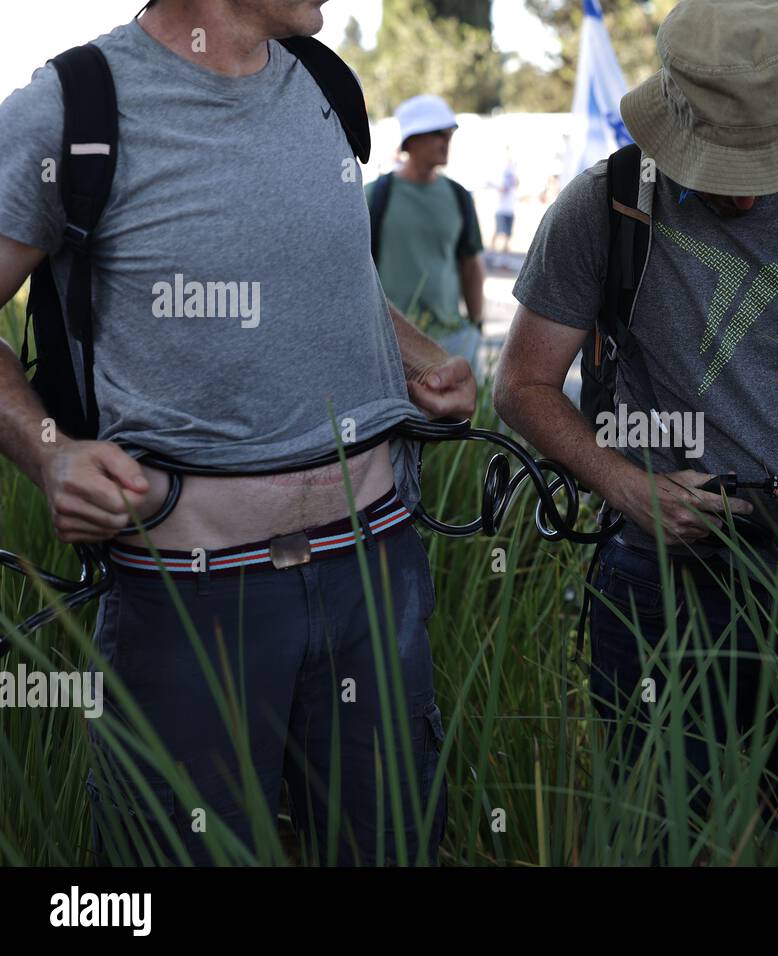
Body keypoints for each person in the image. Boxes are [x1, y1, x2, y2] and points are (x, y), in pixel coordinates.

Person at [0, 0, 475, 864]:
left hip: (376, 572)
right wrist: (47, 450)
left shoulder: (325, 82)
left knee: (393, 846)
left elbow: (329, 272)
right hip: (188, 598)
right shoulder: (69, 110)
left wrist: (415, 356)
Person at [494, 0, 778, 834]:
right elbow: (523, 386)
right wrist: (629, 488)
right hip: (656, 582)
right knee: (660, 829)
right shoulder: (605, 204)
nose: (742, 190)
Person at [368, 94, 486, 378]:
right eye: (437, 134)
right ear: (410, 141)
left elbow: (471, 265)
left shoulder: (458, 197)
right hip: (393, 342)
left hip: (452, 338)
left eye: (450, 134)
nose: (446, 142)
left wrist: (475, 328)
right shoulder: (374, 195)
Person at [489, 150, 519, 265]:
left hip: (509, 209)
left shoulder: (512, 174)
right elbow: (501, 188)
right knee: (498, 233)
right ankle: (491, 255)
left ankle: (504, 260)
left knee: (507, 235)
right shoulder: (502, 173)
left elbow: (516, 184)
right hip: (501, 209)